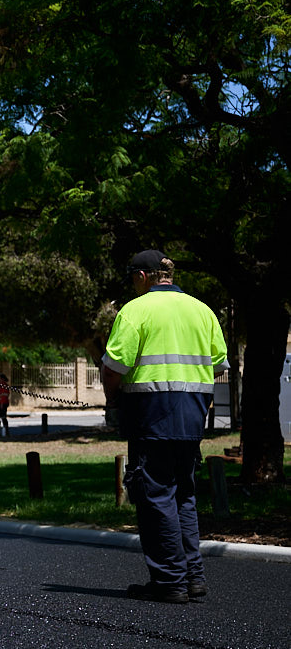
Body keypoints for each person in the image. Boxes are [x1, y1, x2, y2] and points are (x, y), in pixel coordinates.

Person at [101, 250, 227, 604]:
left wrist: (113, 403)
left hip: (150, 414)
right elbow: (219, 365)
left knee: (155, 495)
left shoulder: (135, 310)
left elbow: (114, 368)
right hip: (192, 416)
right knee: (183, 496)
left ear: (143, 276)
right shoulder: (203, 311)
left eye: (131, 278)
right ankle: (192, 577)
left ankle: (170, 581)